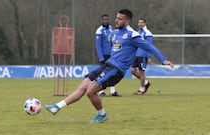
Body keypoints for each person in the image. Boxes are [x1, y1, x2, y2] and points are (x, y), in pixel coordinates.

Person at [45, 9, 174, 123]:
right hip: (107, 65)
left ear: (127, 21)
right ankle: (57, 106)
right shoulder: (114, 33)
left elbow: (149, 46)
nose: (116, 20)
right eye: (116, 17)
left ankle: (102, 115)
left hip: (116, 70)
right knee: (83, 85)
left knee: (90, 91)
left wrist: (163, 60)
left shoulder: (133, 35)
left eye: (120, 19)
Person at [95, 14, 121, 97]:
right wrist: (101, 58)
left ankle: (113, 91)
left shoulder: (111, 28)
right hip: (104, 56)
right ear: (102, 20)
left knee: (113, 72)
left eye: (107, 19)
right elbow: (98, 46)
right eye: (104, 20)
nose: (106, 21)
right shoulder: (99, 31)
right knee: (103, 73)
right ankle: (100, 91)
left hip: (112, 55)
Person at [131, 18, 153, 95]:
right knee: (132, 71)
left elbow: (149, 46)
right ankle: (146, 83)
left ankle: (142, 89)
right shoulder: (138, 33)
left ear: (145, 23)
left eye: (142, 22)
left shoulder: (147, 33)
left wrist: (149, 57)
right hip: (137, 55)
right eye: (139, 22)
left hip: (143, 55)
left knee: (141, 72)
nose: (140, 24)